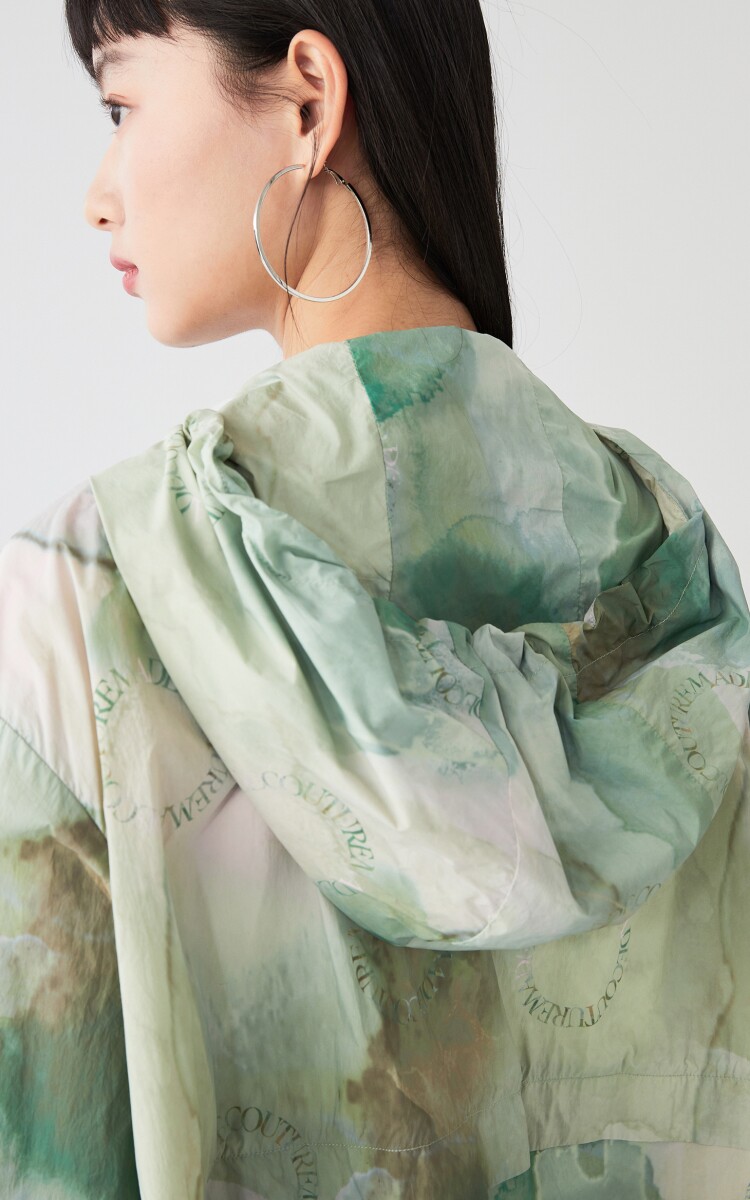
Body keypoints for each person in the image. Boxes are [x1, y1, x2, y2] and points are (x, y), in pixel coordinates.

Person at [1, 3, 749, 1198]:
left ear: (308, 99)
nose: (98, 195)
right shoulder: (680, 582)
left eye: (121, 103)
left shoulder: (84, 606)